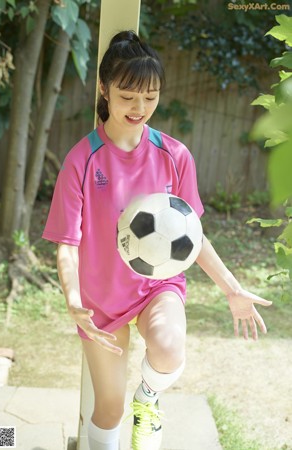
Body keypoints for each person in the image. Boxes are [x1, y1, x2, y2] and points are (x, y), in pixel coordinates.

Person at [42, 30, 272, 450]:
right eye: (129, 96)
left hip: (156, 287)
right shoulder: (81, 160)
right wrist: (74, 300)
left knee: (168, 347)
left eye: (150, 97)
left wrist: (232, 289)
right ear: (103, 89)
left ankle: (148, 401)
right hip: (100, 299)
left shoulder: (175, 155)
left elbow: (191, 237)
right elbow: (67, 244)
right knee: (108, 408)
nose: (140, 108)